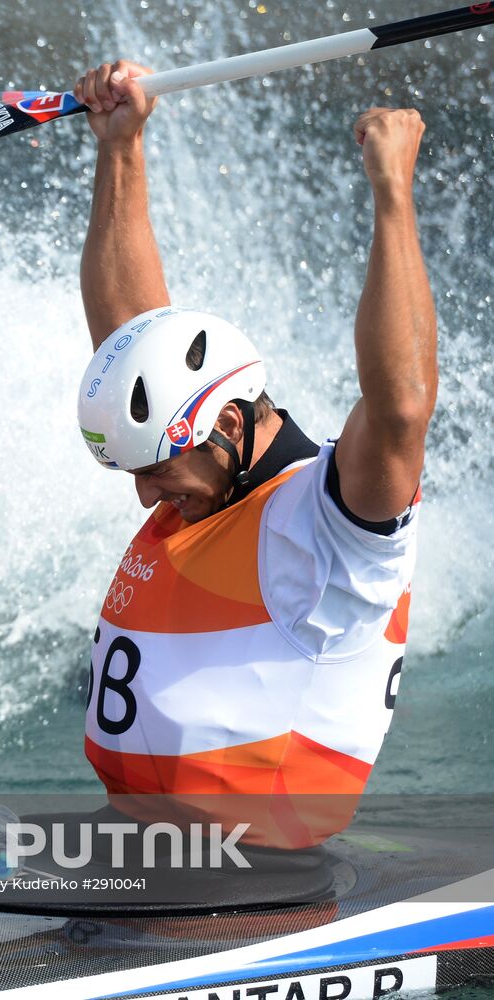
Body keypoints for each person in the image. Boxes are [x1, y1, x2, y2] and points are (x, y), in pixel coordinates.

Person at [71, 62, 433, 850]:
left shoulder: (334, 524)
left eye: (154, 470)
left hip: (244, 875)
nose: (145, 497)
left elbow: (400, 407)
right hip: (136, 844)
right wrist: (120, 148)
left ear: (228, 424)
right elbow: (132, 335)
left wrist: (391, 194)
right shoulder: (202, 477)